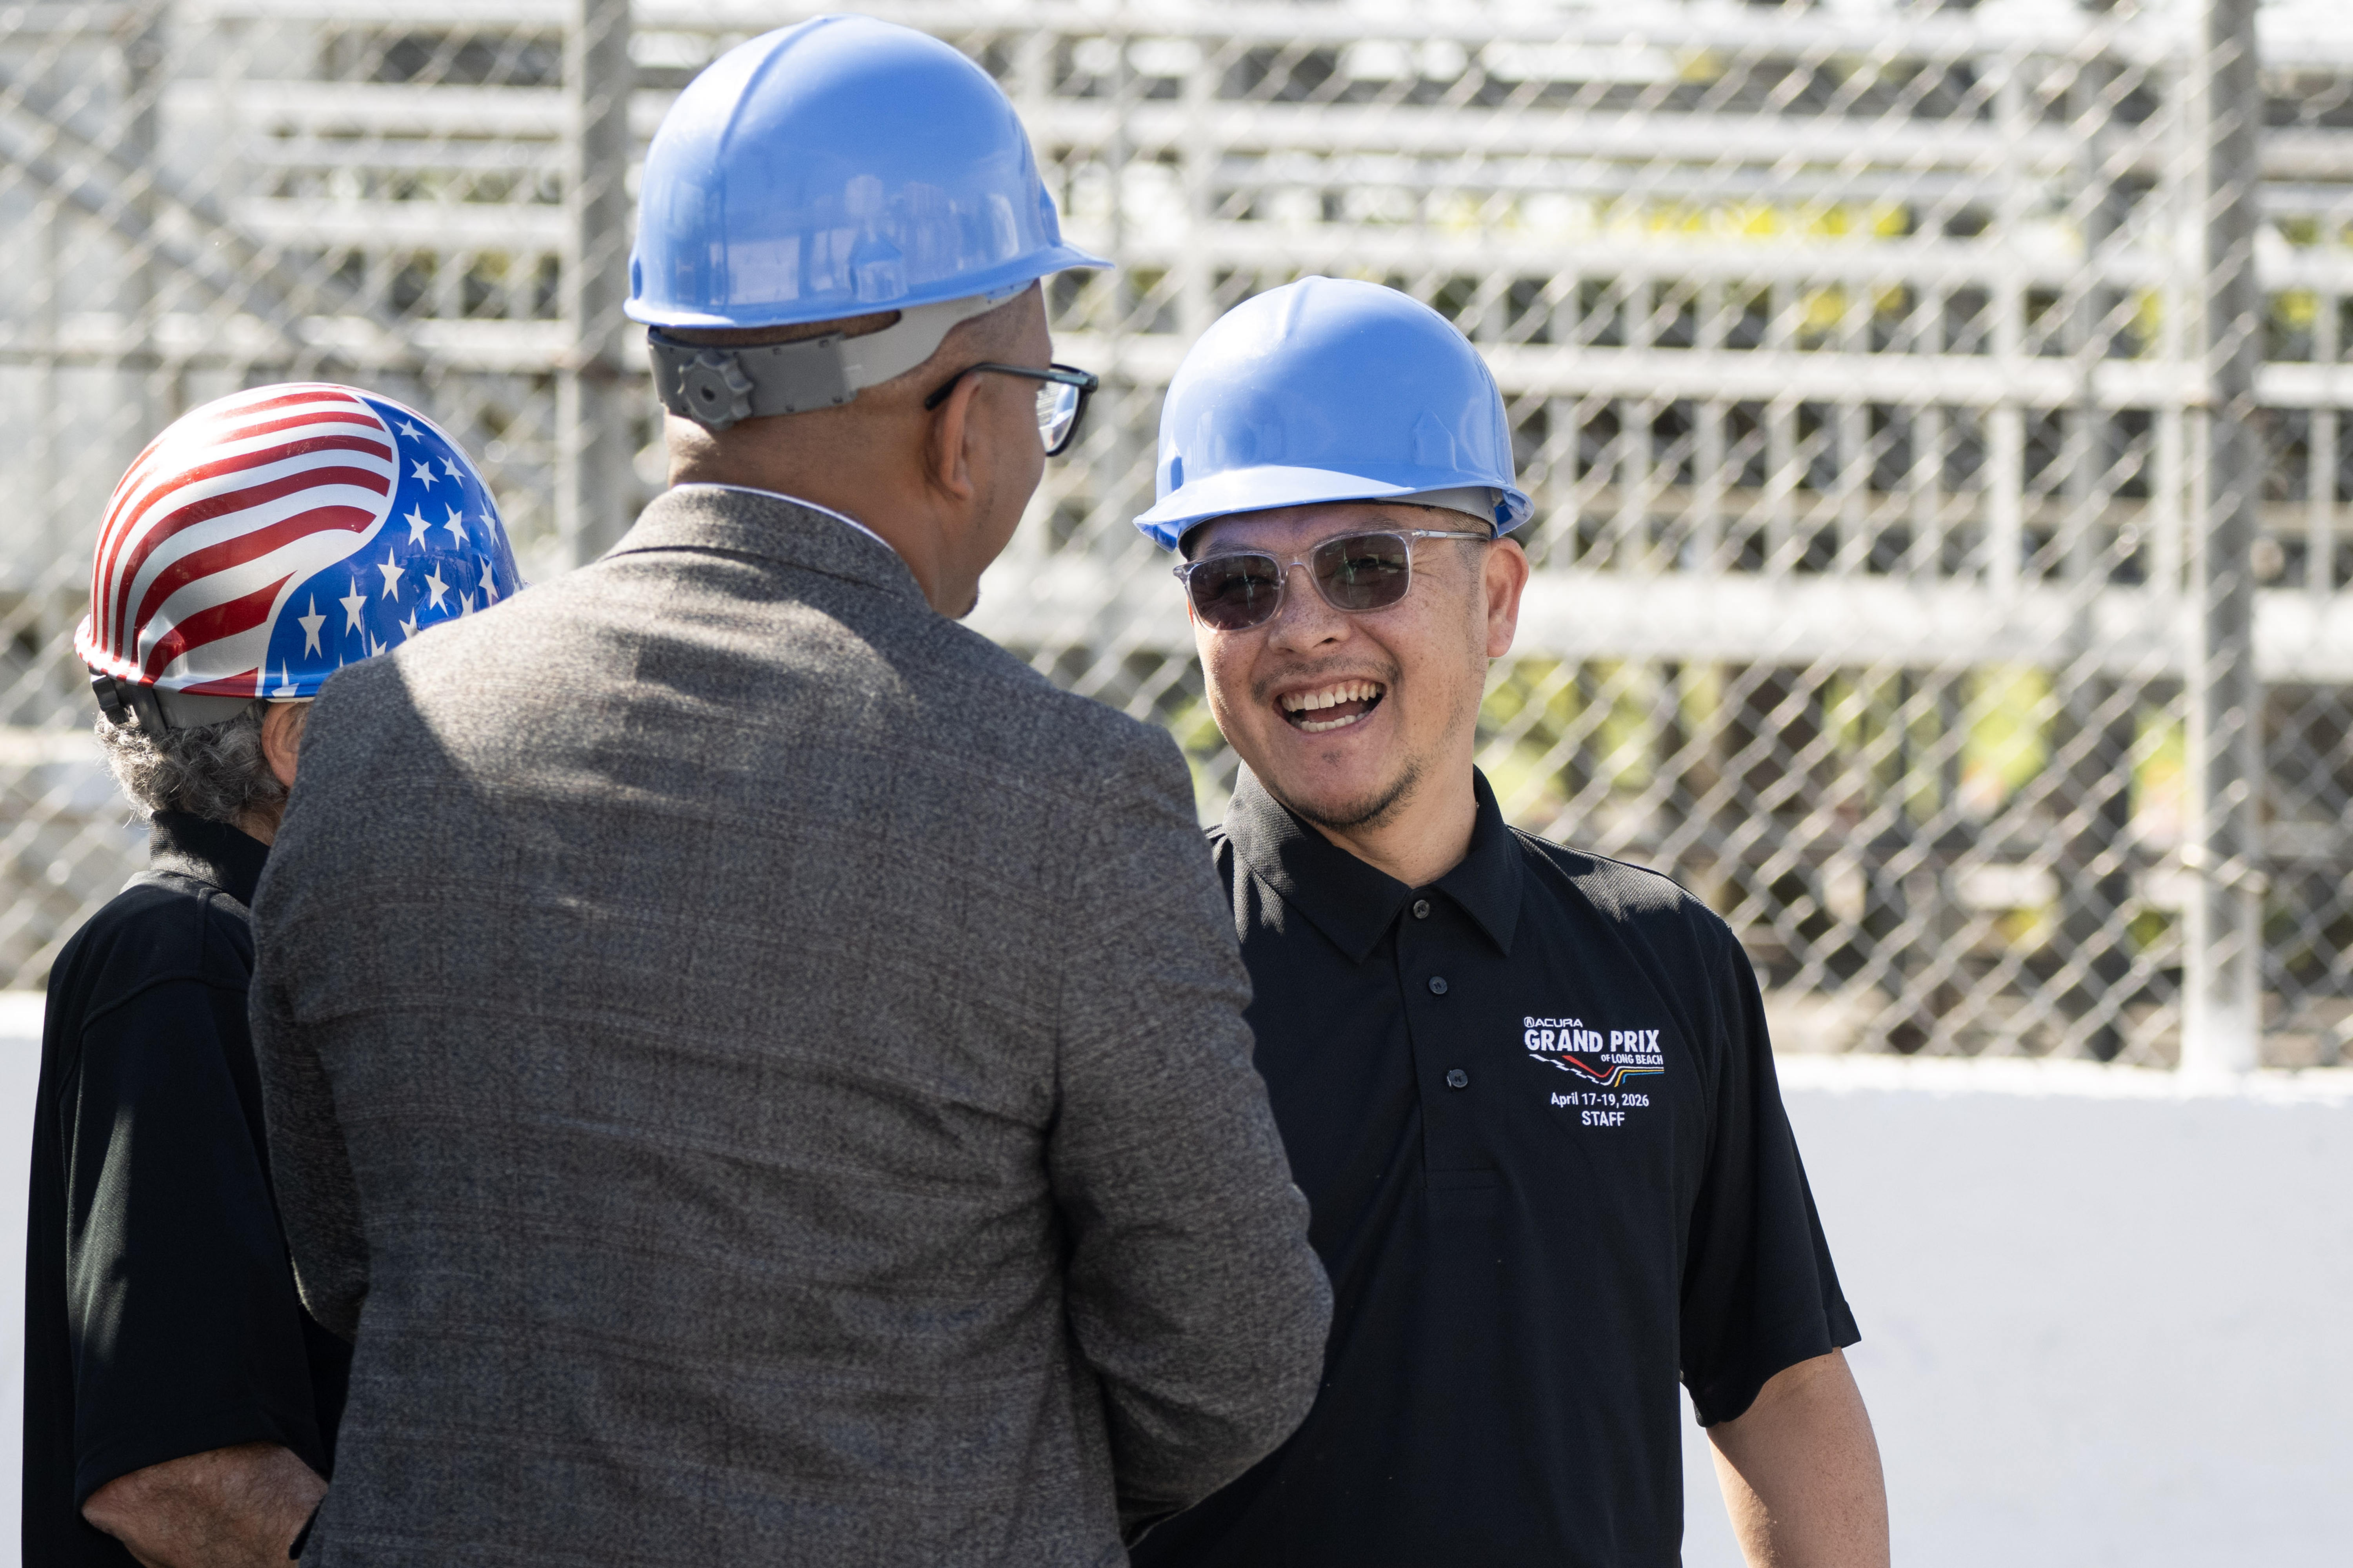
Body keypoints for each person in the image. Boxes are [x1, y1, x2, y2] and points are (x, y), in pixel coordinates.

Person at [245, 18, 1330, 1567]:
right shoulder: (1067, 798)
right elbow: (1228, 1354)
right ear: (964, 427)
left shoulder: (378, 736)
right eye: (1045, 394)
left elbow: (352, 1259)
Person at [1124, 276, 1891, 1568]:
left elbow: (1780, 1388)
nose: (1304, 628)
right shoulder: (1129, 965)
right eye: (1239, 585)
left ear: (1495, 598)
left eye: (1366, 565)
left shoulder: (1662, 961)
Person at [23, 382, 523, 1567]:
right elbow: (178, 1476)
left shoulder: (307, 949)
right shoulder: (182, 959)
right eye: (466, 688)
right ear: (303, 743)